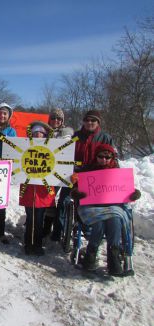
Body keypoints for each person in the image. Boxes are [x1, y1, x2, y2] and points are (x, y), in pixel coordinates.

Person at [71, 144, 140, 277]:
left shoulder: (117, 172)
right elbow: (74, 190)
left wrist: (134, 193)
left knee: (115, 219)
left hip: (113, 207)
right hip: (92, 207)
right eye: (100, 157)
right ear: (96, 157)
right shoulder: (87, 170)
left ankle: (113, 259)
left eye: (107, 157)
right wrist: (77, 193)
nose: (104, 160)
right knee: (99, 222)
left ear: (112, 158)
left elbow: (128, 190)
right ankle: (91, 255)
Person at [19, 121, 56, 256]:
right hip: (28, 190)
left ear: (45, 136)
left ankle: (38, 245)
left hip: (43, 191)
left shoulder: (51, 149)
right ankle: (28, 244)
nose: (38, 135)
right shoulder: (24, 148)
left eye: (40, 133)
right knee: (30, 218)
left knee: (40, 219)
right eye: (35, 133)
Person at [44, 108, 74, 241]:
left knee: (63, 202)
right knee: (48, 200)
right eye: (53, 118)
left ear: (62, 121)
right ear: (49, 119)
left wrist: (64, 136)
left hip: (66, 172)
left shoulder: (66, 132)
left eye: (59, 119)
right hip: (49, 172)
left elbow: (68, 138)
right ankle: (46, 227)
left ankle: (58, 230)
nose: (56, 121)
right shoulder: (44, 132)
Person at [0, 102, 17, 245]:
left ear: (8, 116)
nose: (2, 115)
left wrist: (3, 138)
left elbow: (15, 148)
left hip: (3, 168)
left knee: (0, 202)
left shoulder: (11, 131)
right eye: (0, 112)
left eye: (5, 113)